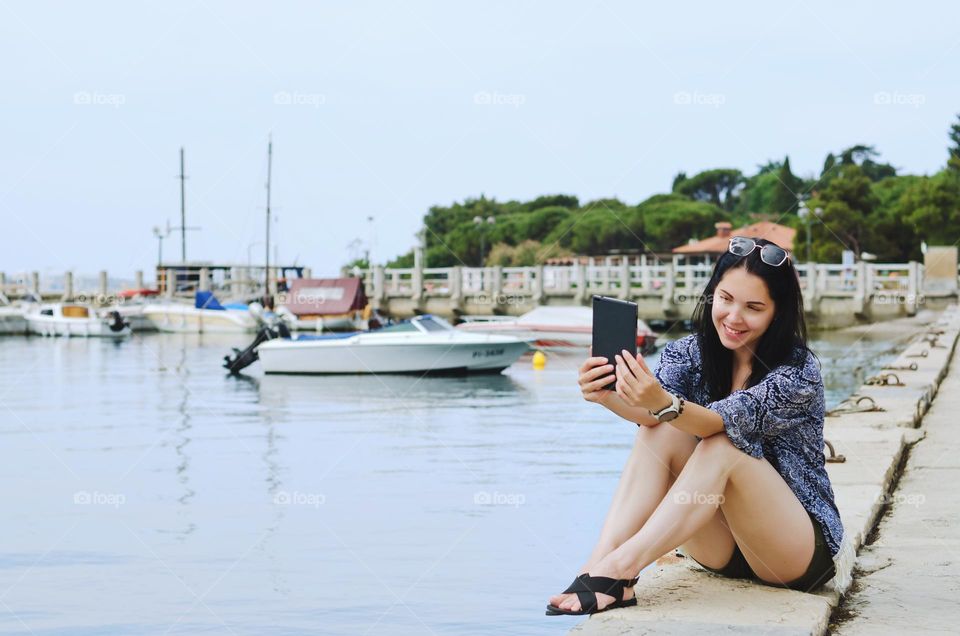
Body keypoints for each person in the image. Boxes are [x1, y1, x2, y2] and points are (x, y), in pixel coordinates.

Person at [546, 236, 843, 616]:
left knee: (723, 443)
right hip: (720, 549)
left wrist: (662, 403)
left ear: (777, 313)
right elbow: (655, 416)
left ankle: (620, 569)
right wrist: (609, 396)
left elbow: (719, 422)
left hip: (791, 552)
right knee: (661, 430)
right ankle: (598, 565)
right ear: (711, 295)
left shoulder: (797, 372)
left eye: (753, 307)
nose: (734, 317)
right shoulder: (688, 352)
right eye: (725, 299)